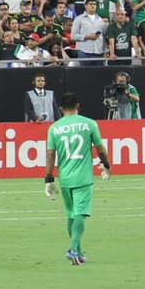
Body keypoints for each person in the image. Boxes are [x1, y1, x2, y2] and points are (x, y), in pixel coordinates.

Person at [43, 92, 112, 265]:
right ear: (78, 106)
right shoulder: (89, 124)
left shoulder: (54, 128)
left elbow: (51, 154)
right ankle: (73, 249)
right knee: (81, 213)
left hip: (65, 177)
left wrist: (48, 178)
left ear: (60, 109)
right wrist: (106, 165)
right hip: (83, 177)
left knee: (71, 215)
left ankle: (79, 254)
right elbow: (101, 149)